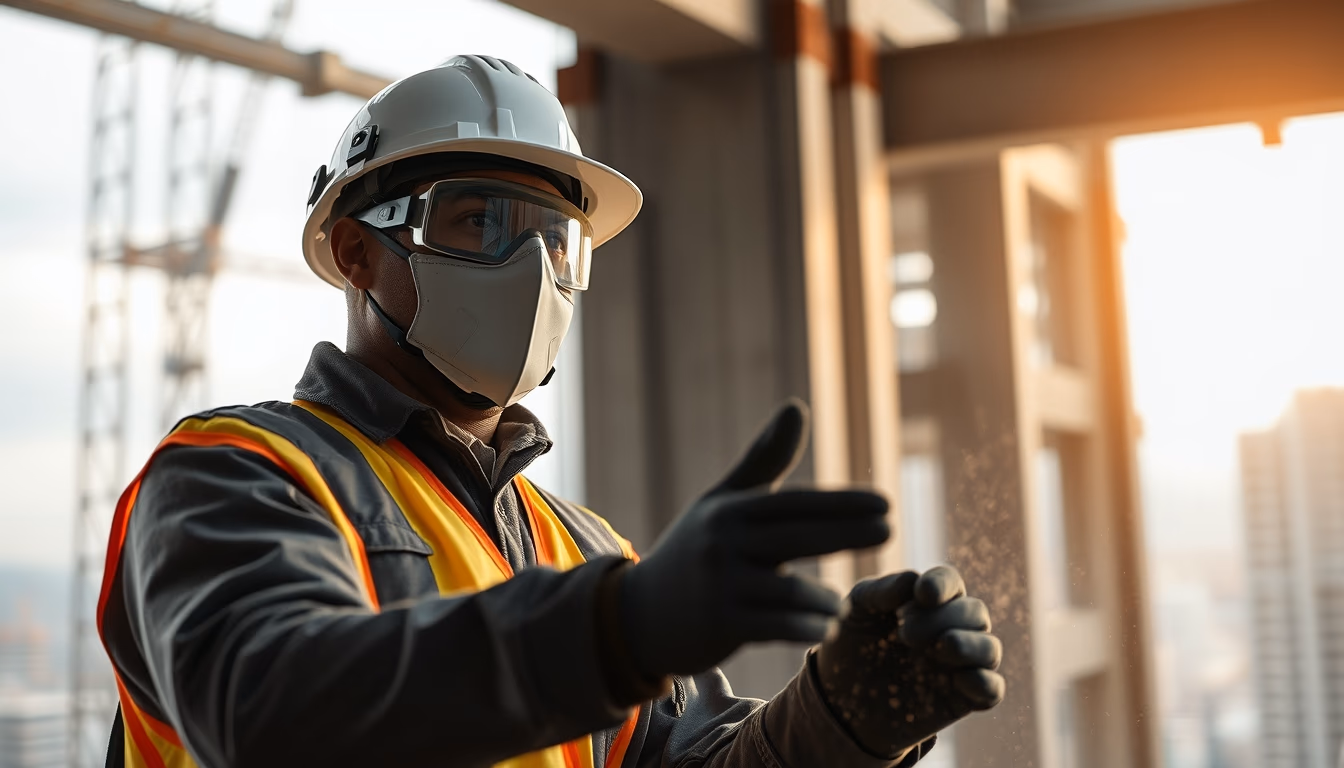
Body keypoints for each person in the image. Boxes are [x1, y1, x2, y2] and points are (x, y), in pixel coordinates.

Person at [97, 55, 1004, 768]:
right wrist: (615, 630)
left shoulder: (588, 551)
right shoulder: (234, 476)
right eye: (477, 222)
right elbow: (273, 713)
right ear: (355, 252)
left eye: (556, 240)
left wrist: (840, 724)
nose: (533, 270)